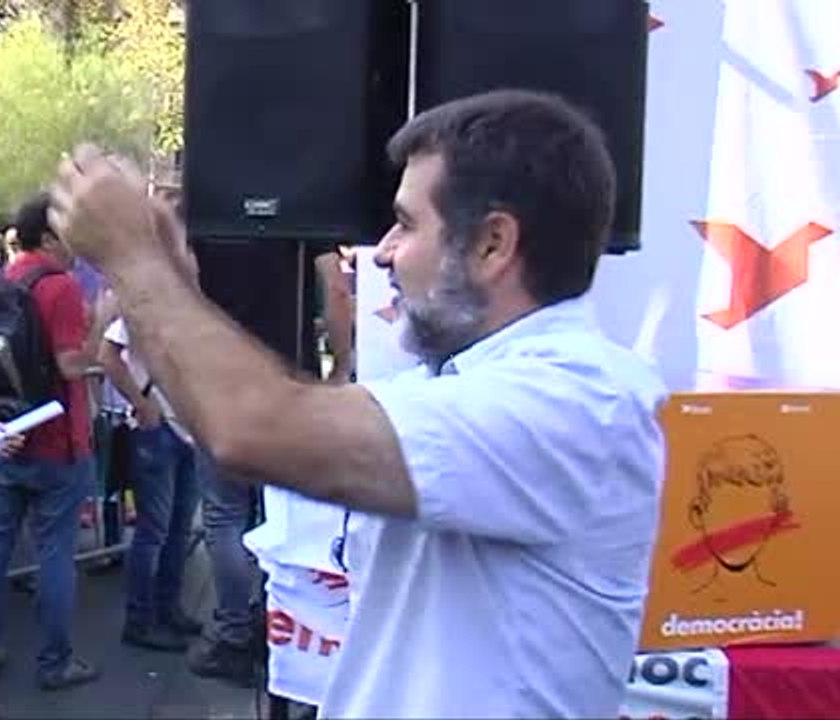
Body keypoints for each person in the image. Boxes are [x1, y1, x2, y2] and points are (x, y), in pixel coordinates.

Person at [47, 90, 668, 718]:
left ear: (492, 245)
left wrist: (134, 259)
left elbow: (253, 427)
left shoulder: (575, 401)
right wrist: (169, 281)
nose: (384, 251)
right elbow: (223, 423)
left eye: (407, 222)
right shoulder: (464, 384)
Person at [0, 192, 109, 691]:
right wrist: (99, 329)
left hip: (7, 433)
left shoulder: (5, 280)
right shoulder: (62, 288)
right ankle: (54, 661)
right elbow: (71, 364)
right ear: (51, 236)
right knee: (56, 553)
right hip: (58, 437)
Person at [99, 233, 205, 653]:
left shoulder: (195, 305)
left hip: (188, 430)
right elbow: (107, 355)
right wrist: (142, 404)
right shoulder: (148, 302)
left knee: (177, 527)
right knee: (155, 530)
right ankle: (141, 620)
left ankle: (167, 608)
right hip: (159, 430)